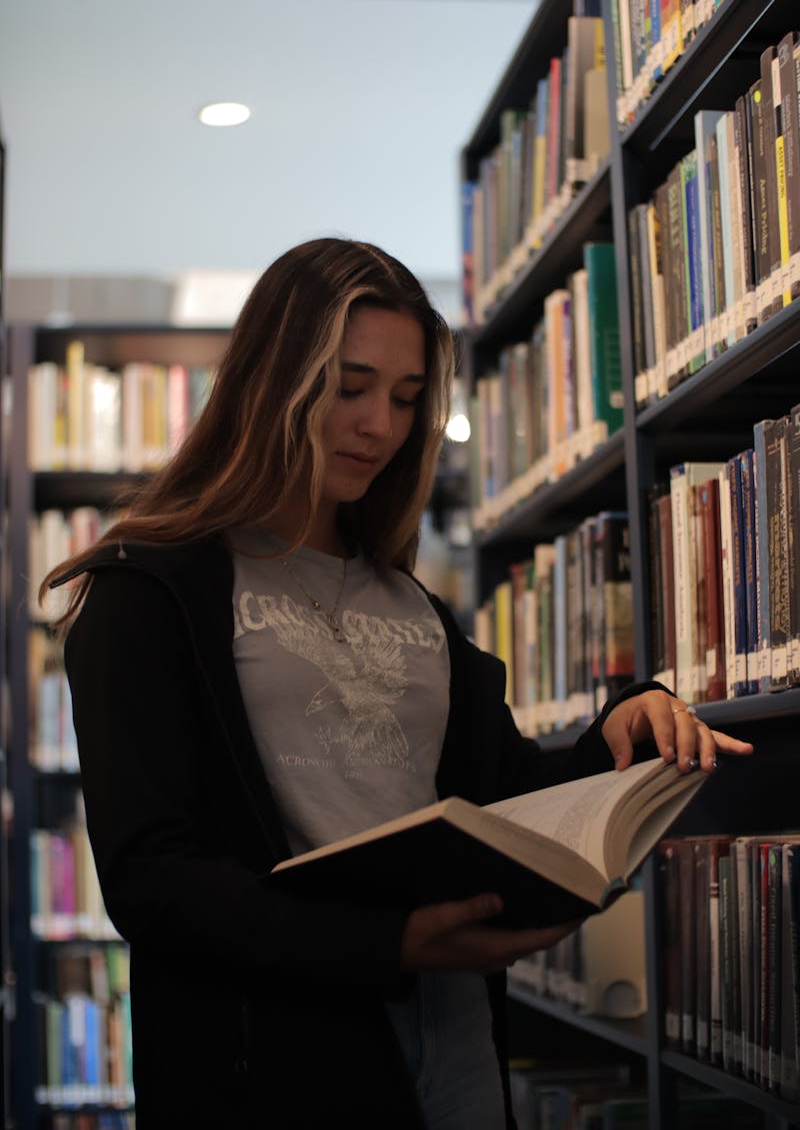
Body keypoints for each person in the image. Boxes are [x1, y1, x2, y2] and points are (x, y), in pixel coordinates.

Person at [43, 237, 753, 1130]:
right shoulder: (147, 594)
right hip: (272, 1065)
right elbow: (152, 880)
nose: (380, 425)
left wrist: (624, 730)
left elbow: (498, 803)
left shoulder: (411, 602)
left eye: (407, 398)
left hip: (456, 1046)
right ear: (273, 381)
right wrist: (387, 943)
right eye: (349, 388)